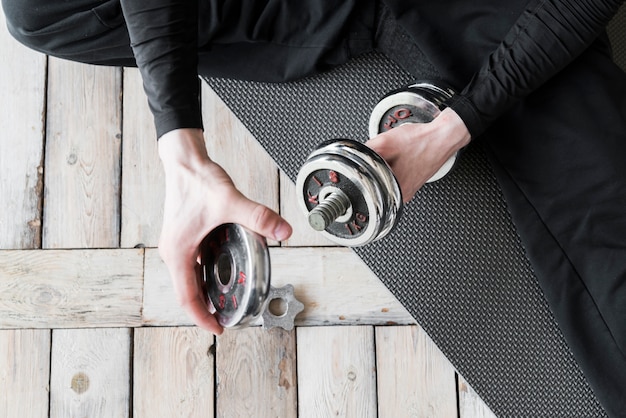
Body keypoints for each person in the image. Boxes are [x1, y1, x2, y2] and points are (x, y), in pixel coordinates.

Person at [3, 0, 625, 415]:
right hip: (316, 11)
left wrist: (451, 128)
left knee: (606, 252)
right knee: (33, 10)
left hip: (485, 12)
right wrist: (181, 149)